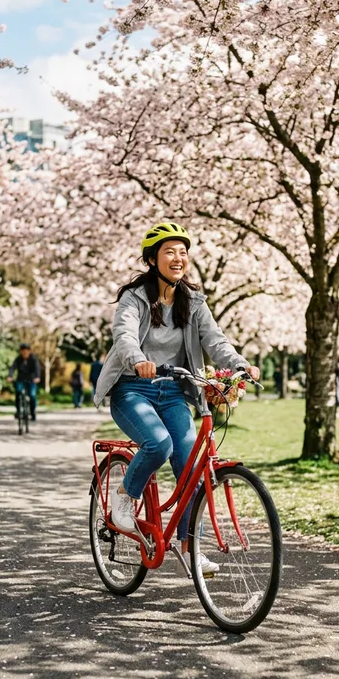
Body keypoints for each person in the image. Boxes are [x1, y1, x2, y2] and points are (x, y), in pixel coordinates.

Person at [92, 221, 260, 573]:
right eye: (169, 251)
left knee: (191, 467)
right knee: (158, 443)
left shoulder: (193, 302)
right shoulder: (134, 298)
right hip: (131, 388)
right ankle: (124, 502)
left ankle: (190, 547)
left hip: (173, 392)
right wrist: (138, 360)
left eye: (183, 252)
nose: (178, 258)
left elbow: (215, 340)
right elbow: (123, 335)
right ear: (152, 260)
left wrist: (241, 365)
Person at [7, 343, 40, 421]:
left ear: (29, 351)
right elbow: (12, 367)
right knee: (18, 392)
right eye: (23, 351)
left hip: (31, 380)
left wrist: (37, 377)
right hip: (20, 379)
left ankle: (32, 412)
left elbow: (37, 368)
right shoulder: (18, 359)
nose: (24, 353)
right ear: (21, 352)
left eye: (26, 351)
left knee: (32, 395)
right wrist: (10, 376)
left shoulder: (33, 359)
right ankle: (18, 411)